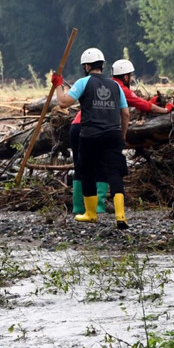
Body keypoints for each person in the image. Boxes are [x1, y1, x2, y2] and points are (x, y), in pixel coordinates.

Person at [69, 59, 174, 215]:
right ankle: (98, 207)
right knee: (103, 167)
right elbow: (139, 106)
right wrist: (165, 110)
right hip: (93, 129)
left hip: (77, 126)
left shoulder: (104, 84)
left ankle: (78, 207)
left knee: (82, 167)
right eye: (130, 76)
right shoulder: (118, 87)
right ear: (126, 76)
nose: (131, 79)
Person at [54, 48, 130, 229]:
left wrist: (58, 84)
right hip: (112, 134)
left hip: (90, 134)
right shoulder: (116, 85)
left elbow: (63, 102)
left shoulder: (83, 82)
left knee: (87, 171)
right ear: (102, 65)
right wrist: (122, 135)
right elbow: (125, 113)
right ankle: (120, 216)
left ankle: (90, 214)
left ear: (87, 66)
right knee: (114, 173)